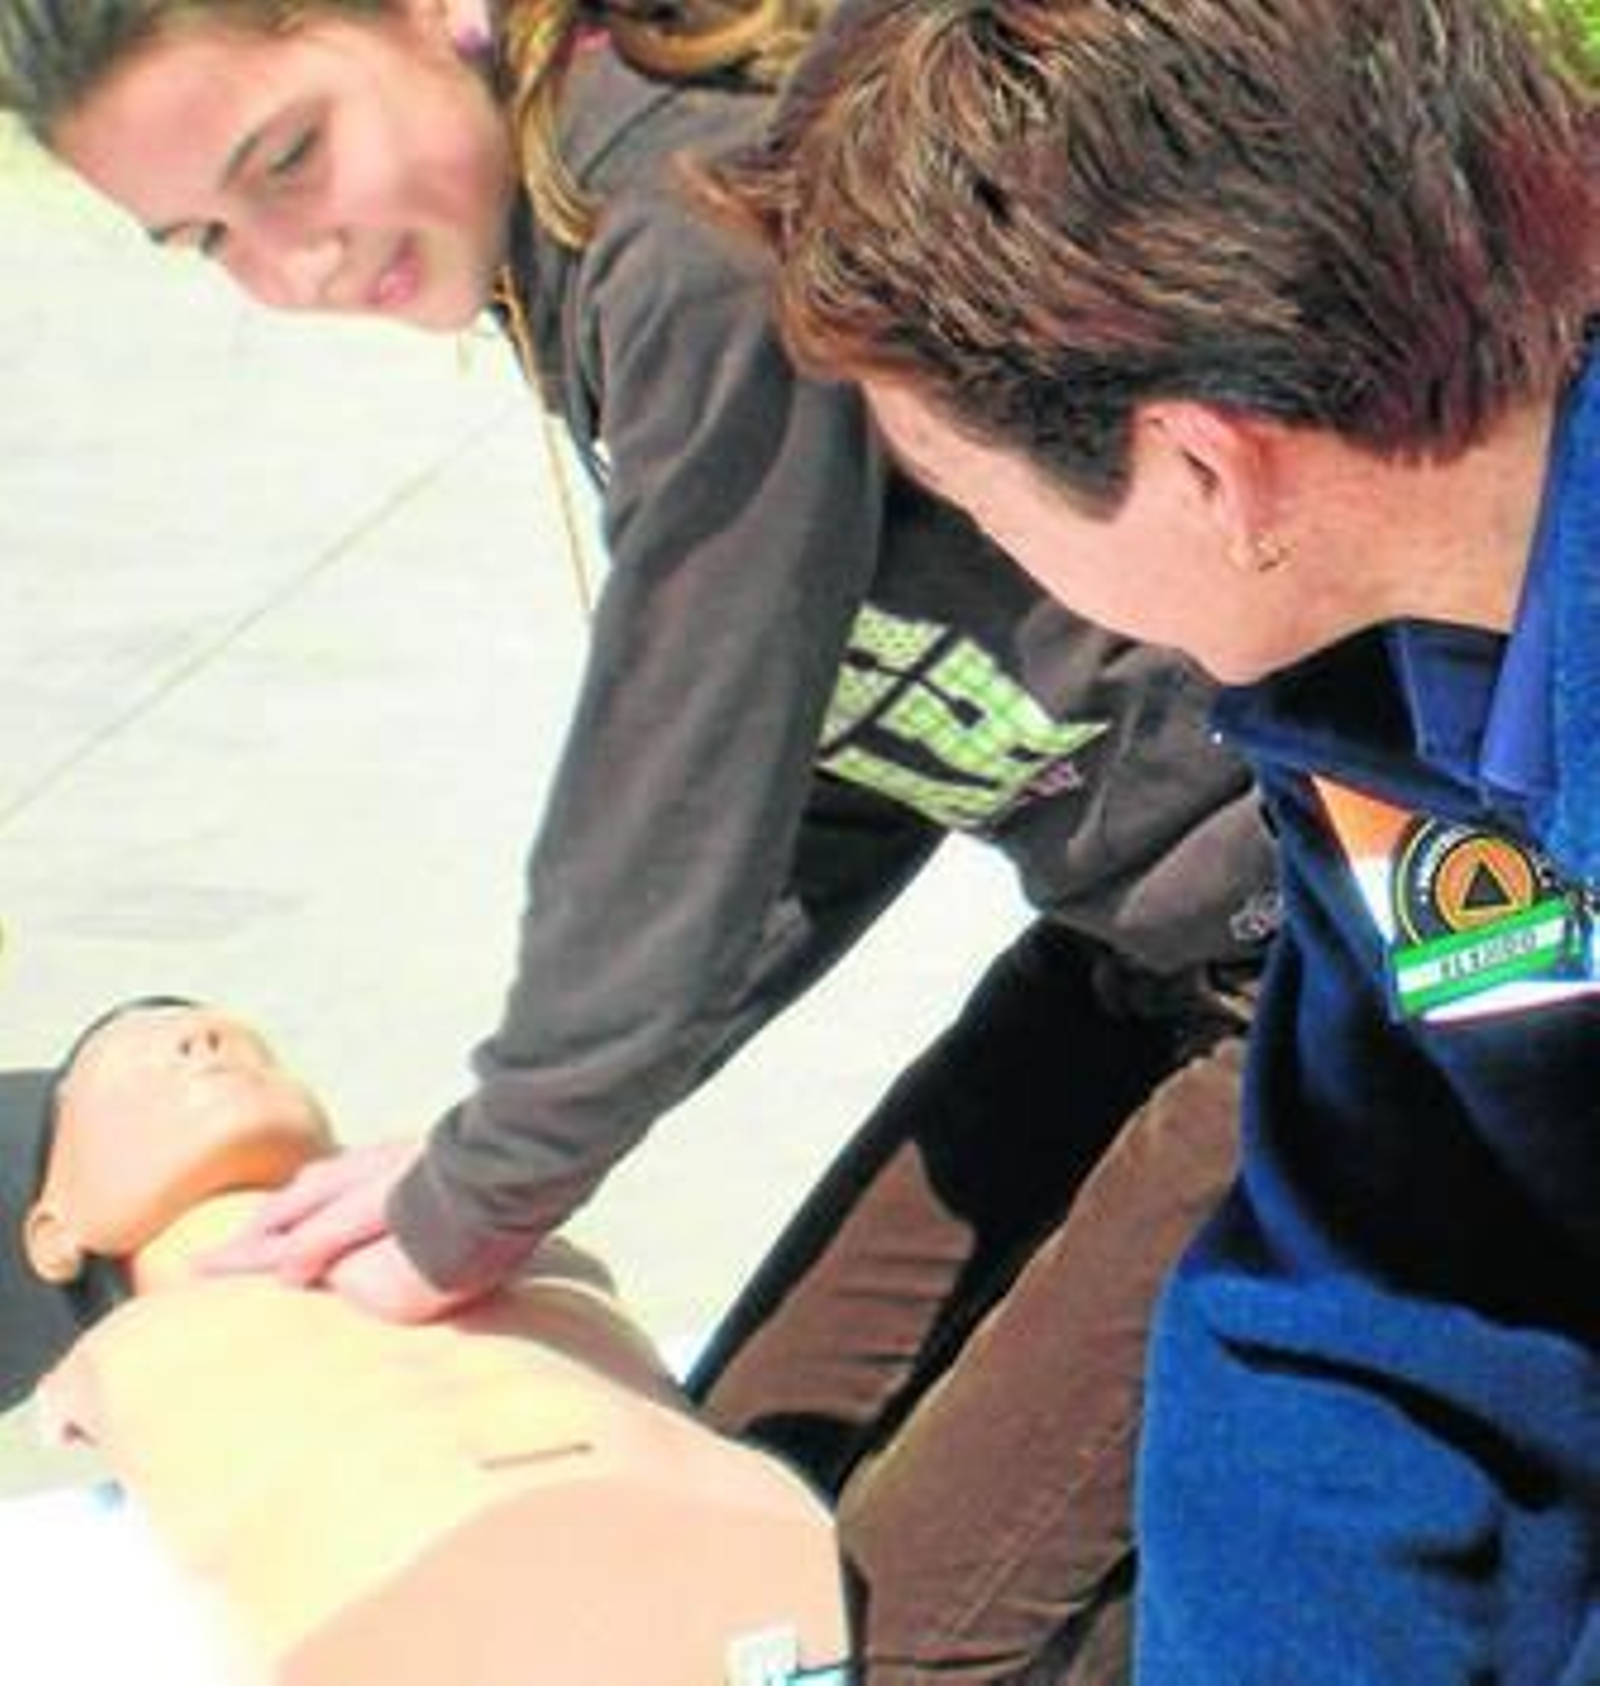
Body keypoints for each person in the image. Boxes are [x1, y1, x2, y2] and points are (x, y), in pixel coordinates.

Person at [0, 1, 1277, 1674]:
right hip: (1145, 954)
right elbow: (822, 755)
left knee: (885, 1644)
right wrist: (501, 1147)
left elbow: (684, 743)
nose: (288, 266)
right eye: (210, 240)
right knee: (735, 1487)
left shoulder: (676, 221)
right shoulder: (567, 244)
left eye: (288, 161)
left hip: (1347, 946)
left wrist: (506, 1167)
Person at [692, 0, 1600, 1678]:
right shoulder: (1385, 710)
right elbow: (1363, 1296)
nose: (1014, 573)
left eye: (973, 508)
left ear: (1204, 469)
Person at [1, 997, 851, 1686]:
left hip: (756, 1587)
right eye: (133, 1062)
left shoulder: (506, 1249)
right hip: (410, 1617)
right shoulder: (117, 1364)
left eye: (252, 1043)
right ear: (52, 1230)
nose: (204, 1035)